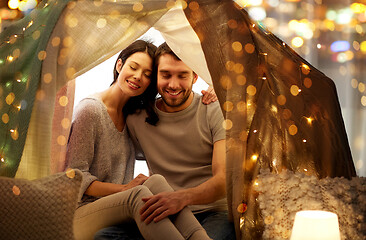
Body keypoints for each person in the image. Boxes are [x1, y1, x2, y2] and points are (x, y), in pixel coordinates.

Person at [65, 40, 213, 240]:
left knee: (156, 180)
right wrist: (124, 189)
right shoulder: (90, 110)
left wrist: (216, 91)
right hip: (83, 212)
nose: (138, 77)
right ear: (119, 66)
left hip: (119, 206)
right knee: (138, 196)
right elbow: (75, 177)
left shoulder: (133, 117)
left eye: (147, 74)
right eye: (133, 67)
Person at [95, 42, 235, 240]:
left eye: (182, 75)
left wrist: (181, 198)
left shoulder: (214, 109)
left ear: (195, 77)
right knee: (106, 237)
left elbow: (223, 180)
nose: (173, 84)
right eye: (166, 75)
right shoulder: (137, 117)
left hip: (212, 211)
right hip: (164, 211)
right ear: (156, 77)